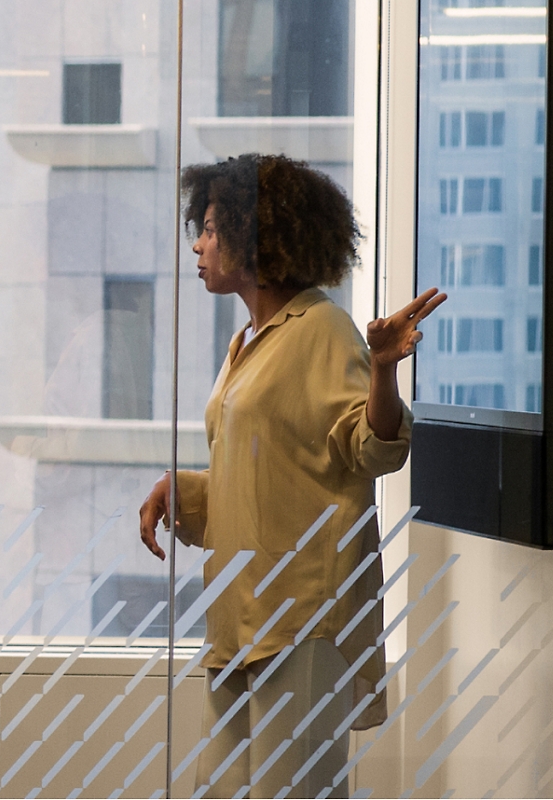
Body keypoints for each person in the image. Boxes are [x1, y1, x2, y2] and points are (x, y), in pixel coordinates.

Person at [138, 154, 446, 798]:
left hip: (302, 616)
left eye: (213, 228)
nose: (197, 243)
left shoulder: (321, 329)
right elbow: (267, 469)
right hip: (240, 614)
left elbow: (373, 449)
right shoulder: (247, 341)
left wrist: (384, 369)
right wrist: (183, 490)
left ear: (258, 234)